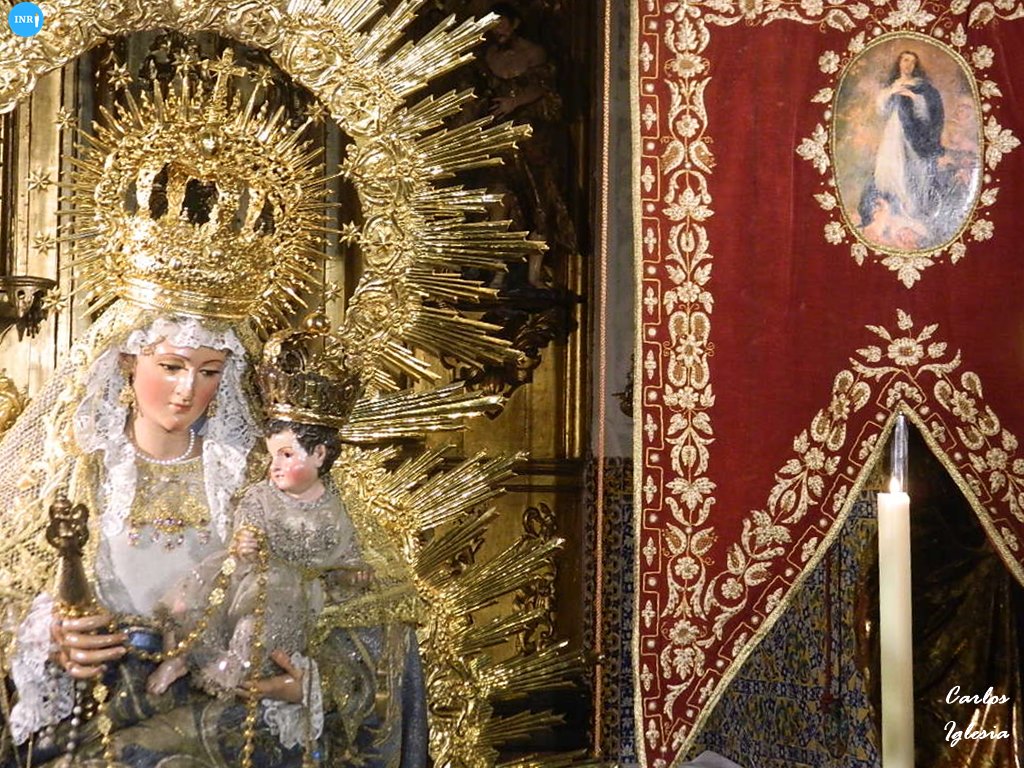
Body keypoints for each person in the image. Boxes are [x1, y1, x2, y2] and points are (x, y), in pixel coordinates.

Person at [145, 417, 364, 749]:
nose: (274, 465)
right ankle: (177, 658)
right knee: (190, 601)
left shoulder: (336, 510)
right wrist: (244, 542)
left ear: (319, 455)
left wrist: (354, 573)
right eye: (272, 455)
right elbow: (246, 529)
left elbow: (346, 557)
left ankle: (232, 671)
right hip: (248, 575)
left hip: (293, 594)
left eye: (286, 455)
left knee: (254, 627)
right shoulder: (260, 496)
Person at [468, 1, 579, 289]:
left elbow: (543, 87)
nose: (498, 30)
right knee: (498, 200)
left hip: (534, 138)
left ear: (515, 23)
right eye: (493, 25)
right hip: (501, 137)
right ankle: (497, 273)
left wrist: (514, 102)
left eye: (502, 23)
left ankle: (534, 275)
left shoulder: (534, 53)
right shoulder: (489, 56)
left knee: (539, 203)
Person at [858, 50, 949, 250]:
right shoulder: (893, 86)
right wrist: (891, 93)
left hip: (913, 136)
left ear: (915, 66)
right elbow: (881, 109)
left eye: (912, 62)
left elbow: (927, 115)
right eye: (905, 60)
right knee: (890, 169)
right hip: (893, 133)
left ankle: (911, 214)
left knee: (911, 171)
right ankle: (893, 213)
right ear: (899, 63)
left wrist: (913, 97)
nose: (908, 65)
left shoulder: (922, 87)